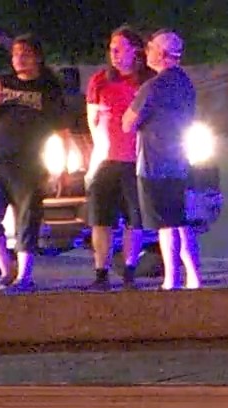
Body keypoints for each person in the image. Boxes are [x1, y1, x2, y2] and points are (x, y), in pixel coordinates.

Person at [0, 33, 66, 295]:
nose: (18, 59)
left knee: (27, 221)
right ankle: (6, 271)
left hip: (31, 164)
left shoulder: (48, 89)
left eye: (24, 54)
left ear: (37, 57)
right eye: (15, 54)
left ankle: (25, 277)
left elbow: (61, 130)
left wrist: (58, 168)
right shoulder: (2, 84)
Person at [123, 28, 199, 290]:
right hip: (179, 161)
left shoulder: (153, 86)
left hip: (154, 161)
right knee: (181, 222)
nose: (147, 53)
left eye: (151, 48)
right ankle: (194, 277)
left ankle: (171, 279)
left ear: (163, 54)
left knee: (165, 226)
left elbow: (128, 123)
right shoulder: (185, 83)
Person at [85, 26, 151, 289]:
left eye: (119, 48)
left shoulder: (148, 81)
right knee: (101, 219)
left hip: (136, 160)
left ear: (135, 51)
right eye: (111, 48)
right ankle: (101, 273)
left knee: (134, 220)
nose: (113, 53)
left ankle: (129, 271)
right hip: (107, 160)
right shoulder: (100, 80)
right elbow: (93, 121)